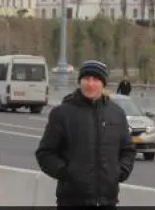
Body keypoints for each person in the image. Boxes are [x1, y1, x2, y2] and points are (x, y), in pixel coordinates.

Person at [36, 60, 136, 208]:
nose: (90, 84)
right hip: (72, 202)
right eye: (86, 79)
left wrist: (118, 173)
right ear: (80, 81)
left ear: (103, 84)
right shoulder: (62, 113)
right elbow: (45, 153)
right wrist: (68, 174)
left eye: (95, 80)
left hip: (107, 202)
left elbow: (128, 150)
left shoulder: (116, 114)